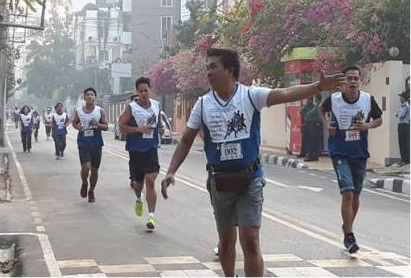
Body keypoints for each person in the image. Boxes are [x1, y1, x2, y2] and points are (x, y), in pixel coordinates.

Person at [161, 48, 345, 277]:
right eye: (207, 67)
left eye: (213, 67)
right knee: (226, 243)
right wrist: (170, 171)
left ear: (229, 70)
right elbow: (187, 139)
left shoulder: (250, 96)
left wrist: (317, 87)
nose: (208, 72)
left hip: (250, 179)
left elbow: (285, 93)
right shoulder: (202, 104)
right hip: (220, 182)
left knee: (250, 240)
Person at [319, 66, 382, 254]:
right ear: (344, 82)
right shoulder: (335, 99)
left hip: (360, 153)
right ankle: (349, 235)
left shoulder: (368, 100)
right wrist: (327, 124)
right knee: (347, 193)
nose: (353, 82)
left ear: (359, 81)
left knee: (355, 196)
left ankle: (346, 227)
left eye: (356, 78)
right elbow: (320, 110)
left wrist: (367, 125)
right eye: (349, 79)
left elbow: (379, 119)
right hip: (339, 151)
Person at [119, 77, 165, 230]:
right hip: (136, 150)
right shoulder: (131, 108)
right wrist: (138, 129)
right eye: (141, 91)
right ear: (137, 92)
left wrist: (161, 129)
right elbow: (121, 126)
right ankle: (139, 198)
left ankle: (151, 216)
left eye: (146, 90)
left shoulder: (156, 105)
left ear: (150, 90)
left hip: (151, 148)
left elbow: (158, 122)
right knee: (138, 185)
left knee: (150, 181)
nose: (144, 94)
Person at [72, 87, 109, 203]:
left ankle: (91, 190)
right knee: (86, 167)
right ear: (84, 98)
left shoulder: (100, 111)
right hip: (83, 143)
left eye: (92, 95)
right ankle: (84, 183)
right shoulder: (79, 111)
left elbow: (106, 127)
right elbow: (74, 122)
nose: (90, 97)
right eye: (87, 95)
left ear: (95, 97)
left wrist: (97, 124)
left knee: (94, 170)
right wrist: (79, 127)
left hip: (96, 143)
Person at [303, 95, 322, 162]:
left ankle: (311, 156)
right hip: (313, 124)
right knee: (313, 140)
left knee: (311, 140)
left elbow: (310, 114)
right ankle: (314, 155)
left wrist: (306, 116)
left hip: (313, 124)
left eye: (315, 98)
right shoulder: (317, 105)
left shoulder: (318, 105)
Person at [395, 91, 409, 166]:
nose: (400, 98)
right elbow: (397, 114)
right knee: (401, 142)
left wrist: (398, 114)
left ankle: (406, 160)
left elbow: (400, 116)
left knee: (404, 143)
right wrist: (398, 114)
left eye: (401, 97)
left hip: (404, 125)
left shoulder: (406, 106)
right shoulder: (402, 106)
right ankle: (403, 159)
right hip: (401, 125)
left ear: (404, 98)